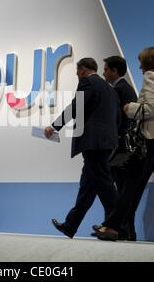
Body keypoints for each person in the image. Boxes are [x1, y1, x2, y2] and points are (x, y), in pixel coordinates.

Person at [97, 47, 154, 245]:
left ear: (147, 62)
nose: (138, 66)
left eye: (140, 61)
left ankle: (112, 227)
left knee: (131, 185)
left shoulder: (151, 78)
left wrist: (129, 108)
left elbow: (151, 109)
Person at [44, 57, 121, 238]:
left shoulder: (87, 82)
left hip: (93, 142)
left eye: (77, 72)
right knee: (87, 186)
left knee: (105, 183)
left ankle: (119, 225)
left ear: (84, 70)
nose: (77, 75)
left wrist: (54, 126)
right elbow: (117, 119)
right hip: (106, 141)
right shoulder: (110, 89)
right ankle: (70, 225)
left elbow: (76, 107)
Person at [91, 56, 138, 241]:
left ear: (115, 71)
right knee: (120, 190)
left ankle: (117, 228)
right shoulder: (127, 89)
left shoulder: (118, 90)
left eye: (106, 69)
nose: (103, 73)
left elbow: (118, 121)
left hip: (120, 147)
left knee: (116, 190)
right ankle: (118, 227)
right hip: (126, 147)